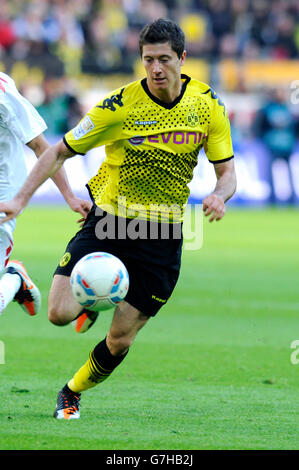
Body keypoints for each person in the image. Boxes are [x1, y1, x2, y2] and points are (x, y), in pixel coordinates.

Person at [0, 19, 237, 420]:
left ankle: (71, 392)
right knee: (58, 315)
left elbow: (227, 172)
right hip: (110, 223)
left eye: (164, 59)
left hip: (162, 236)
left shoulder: (207, 104)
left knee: (120, 339)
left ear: (183, 58)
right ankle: (90, 297)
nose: (156, 68)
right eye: (148, 60)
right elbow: (58, 151)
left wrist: (219, 194)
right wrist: (20, 199)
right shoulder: (118, 106)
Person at [0, 72, 92, 317]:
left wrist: (69, 196)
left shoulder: (3, 92)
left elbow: (42, 146)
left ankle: (14, 281)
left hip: (3, 193)